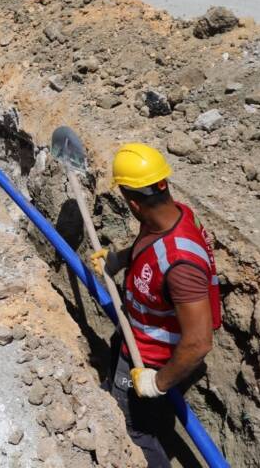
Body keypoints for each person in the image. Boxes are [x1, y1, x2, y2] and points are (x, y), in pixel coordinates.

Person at [90, 143, 221, 468]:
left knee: (135, 430)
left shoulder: (182, 264)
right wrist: (118, 260)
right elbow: (149, 241)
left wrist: (157, 382)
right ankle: (113, 390)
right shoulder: (170, 214)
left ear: (133, 203)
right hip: (134, 333)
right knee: (116, 373)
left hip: (148, 358)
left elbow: (199, 341)